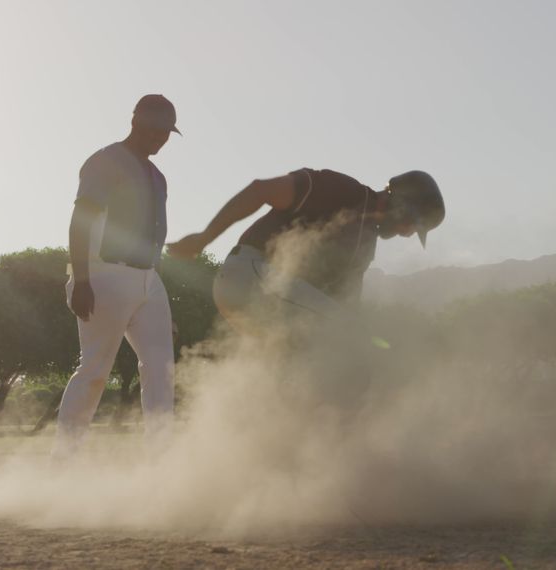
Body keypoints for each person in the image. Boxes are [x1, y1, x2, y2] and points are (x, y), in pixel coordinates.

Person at [53, 94, 180, 459]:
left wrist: (156, 290)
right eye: (156, 130)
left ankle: (160, 463)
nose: (162, 138)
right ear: (137, 123)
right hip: (104, 273)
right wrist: (81, 278)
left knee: (161, 371)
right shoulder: (105, 161)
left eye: (167, 132)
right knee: (94, 371)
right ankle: (63, 465)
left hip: (149, 279)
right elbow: (81, 220)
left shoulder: (158, 175)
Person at [168, 168, 444, 328]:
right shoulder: (345, 191)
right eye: (411, 223)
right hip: (251, 274)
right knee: (342, 340)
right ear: (401, 204)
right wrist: (204, 239)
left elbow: (347, 308)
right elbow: (261, 190)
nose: (406, 234)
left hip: (273, 294)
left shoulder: (365, 243)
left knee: (332, 356)